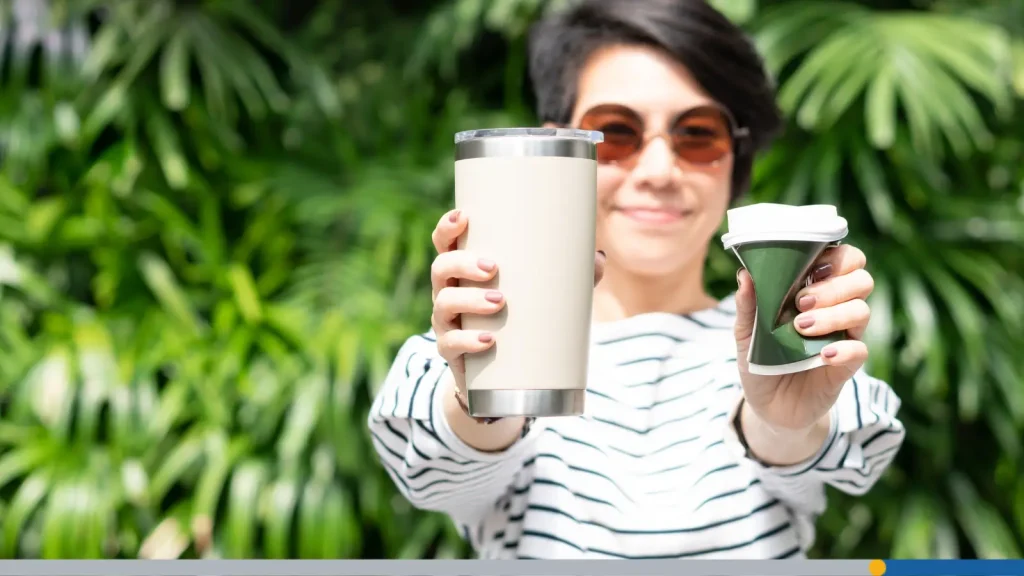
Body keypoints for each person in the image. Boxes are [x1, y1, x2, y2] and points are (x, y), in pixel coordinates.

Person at [368, 0, 905, 559]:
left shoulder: (787, 339)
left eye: (698, 135)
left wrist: (783, 422)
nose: (658, 172)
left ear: (736, 159)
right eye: (616, 133)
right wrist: (489, 386)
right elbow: (439, 478)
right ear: (554, 151)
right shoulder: (464, 348)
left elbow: (841, 450)